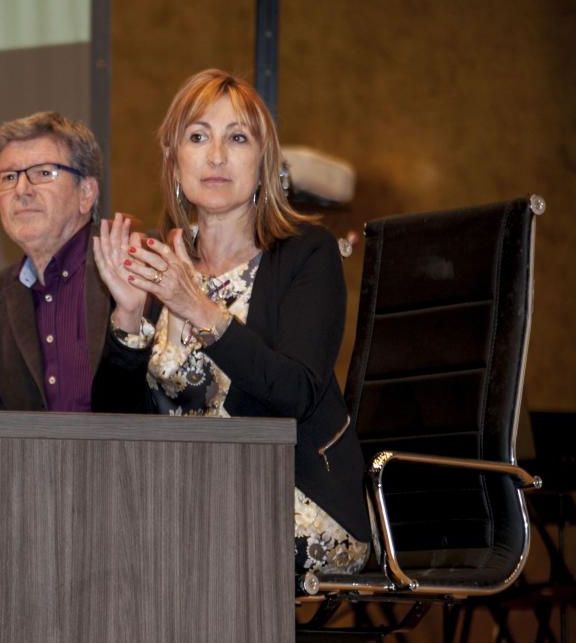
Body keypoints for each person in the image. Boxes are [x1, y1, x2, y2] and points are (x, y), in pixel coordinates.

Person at [91, 69, 371, 575]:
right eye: (198, 137)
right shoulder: (160, 263)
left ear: (263, 164)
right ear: (175, 163)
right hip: (183, 503)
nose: (216, 155)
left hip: (295, 499)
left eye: (237, 138)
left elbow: (297, 393)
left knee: (175, 556)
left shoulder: (306, 253)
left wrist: (195, 306)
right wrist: (129, 316)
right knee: (88, 542)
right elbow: (114, 427)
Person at [0, 111, 110, 411]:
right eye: (8, 177)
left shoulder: (131, 265)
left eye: (43, 173)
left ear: (86, 192)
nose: (21, 190)